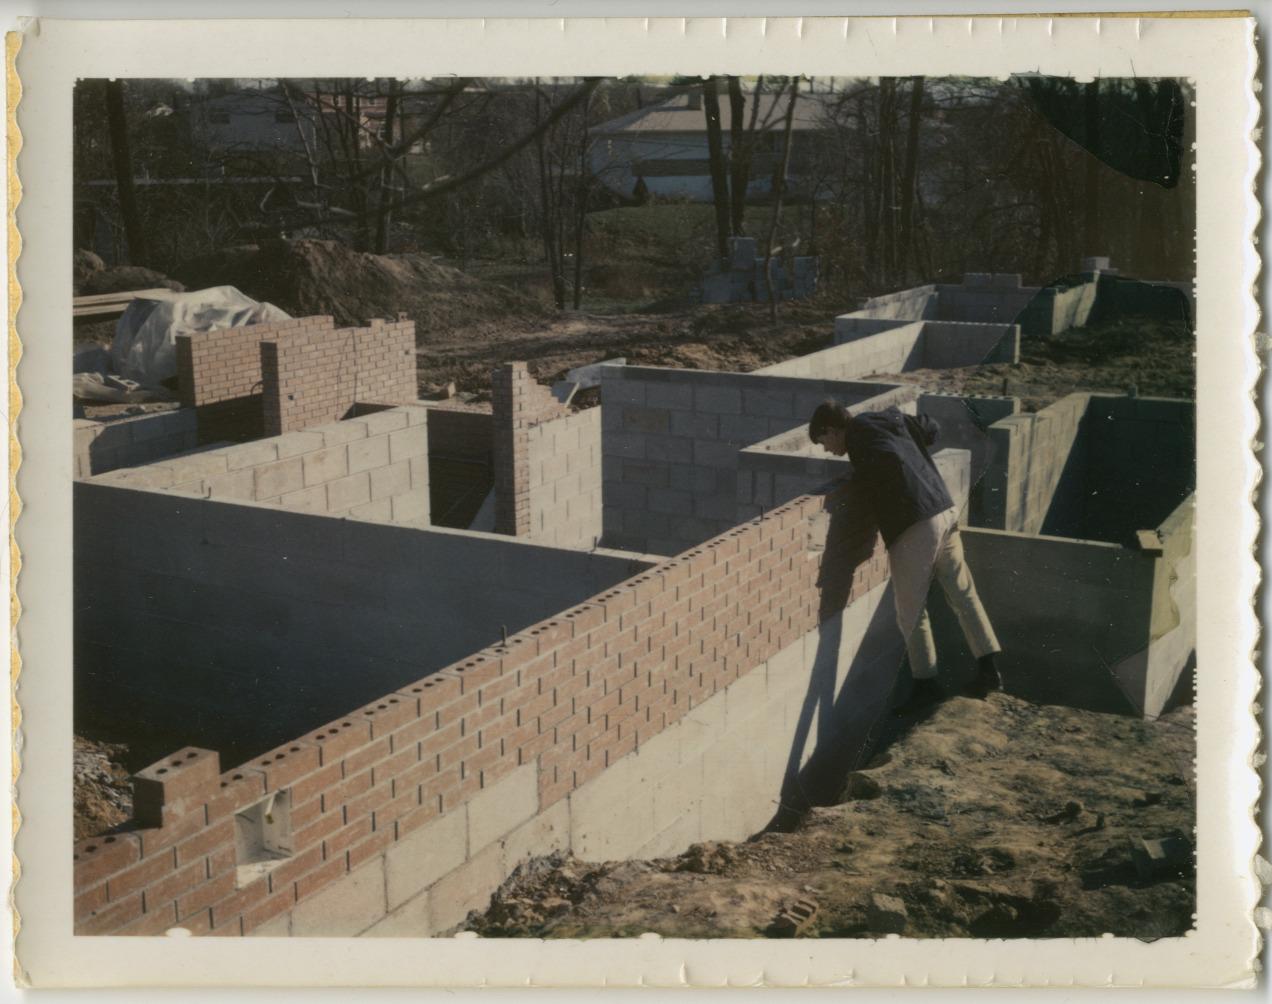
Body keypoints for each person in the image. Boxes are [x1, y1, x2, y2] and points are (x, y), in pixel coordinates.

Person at [808, 400, 1002, 715]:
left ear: (831, 429)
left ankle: (926, 686)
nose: (827, 450)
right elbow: (931, 428)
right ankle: (989, 669)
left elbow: (888, 459)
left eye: (824, 442)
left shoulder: (860, 436)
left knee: (910, 611)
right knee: (963, 594)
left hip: (916, 525)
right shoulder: (888, 418)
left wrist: (873, 477)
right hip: (944, 509)